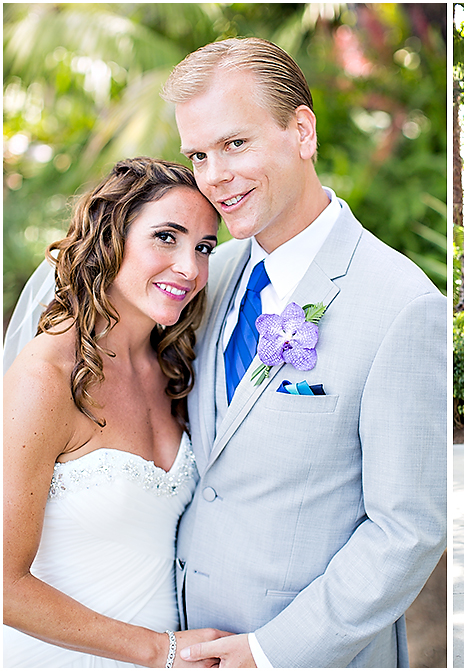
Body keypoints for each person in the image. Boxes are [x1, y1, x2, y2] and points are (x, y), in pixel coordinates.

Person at [160, 38, 447, 667]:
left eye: (236, 144)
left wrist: (269, 652)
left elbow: (410, 529)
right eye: (199, 155)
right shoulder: (208, 275)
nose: (215, 176)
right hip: (187, 645)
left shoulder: (403, 306)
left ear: (302, 132)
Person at [3, 157, 230, 667]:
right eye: (166, 237)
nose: (189, 268)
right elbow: (2, 584)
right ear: (111, 237)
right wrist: (159, 651)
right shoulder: (46, 379)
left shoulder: (172, 369)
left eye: (203, 247)